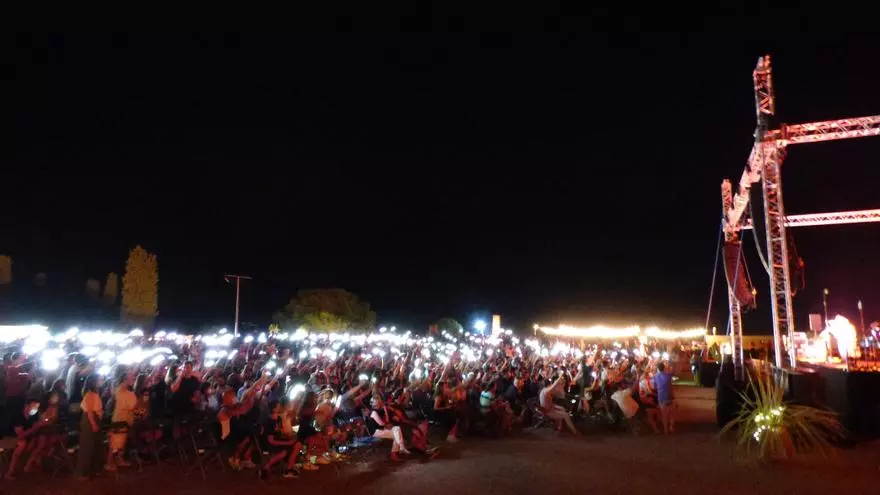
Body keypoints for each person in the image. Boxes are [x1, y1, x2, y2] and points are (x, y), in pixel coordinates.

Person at [4, 398, 49, 480]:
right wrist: (35, 427)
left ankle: (29, 464)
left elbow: (32, 431)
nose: (35, 409)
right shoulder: (18, 417)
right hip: (9, 437)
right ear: (26, 406)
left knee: (42, 439)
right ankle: (10, 471)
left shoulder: (33, 417)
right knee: (22, 443)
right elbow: (21, 435)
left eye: (37, 407)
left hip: (26, 437)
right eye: (33, 406)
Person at [74, 374, 104, 480]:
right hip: (90, 420)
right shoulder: (90, 394)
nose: (101, 381)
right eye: (99, 380)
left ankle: (92, 469)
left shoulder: (94, 393)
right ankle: (82, 472)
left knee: (95, 445)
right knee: (87, 446)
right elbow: (89, 411)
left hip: (95, 419)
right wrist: (93, 424)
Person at [653, 362, 676, 434]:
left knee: (664, 416)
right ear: (664, 368)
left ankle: (665, 430)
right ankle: (671, 427)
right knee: (672, 414)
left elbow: (654, 387)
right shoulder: (668, 375)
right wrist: (672, 364)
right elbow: (674, 372)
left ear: (658, 368)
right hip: (669, 397)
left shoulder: (655, 376)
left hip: (661, 397)